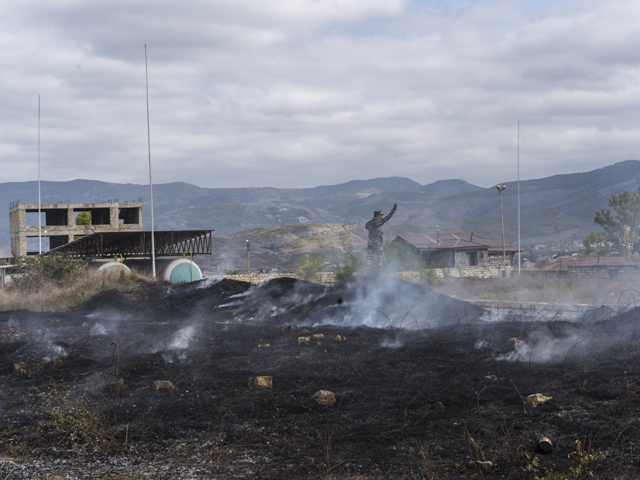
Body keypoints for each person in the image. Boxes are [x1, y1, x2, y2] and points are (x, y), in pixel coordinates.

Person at [365, 203, 397, 273]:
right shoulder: (380, 221)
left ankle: (367, 271)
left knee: (369, 257)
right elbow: (389, 216)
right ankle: (378, 271)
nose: (381, 216)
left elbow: (366, 227)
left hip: (370, 242)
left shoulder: (369, 222)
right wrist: (394, 209)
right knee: (379, 257)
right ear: (377, 215)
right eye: (380, 215)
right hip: (378, 242)